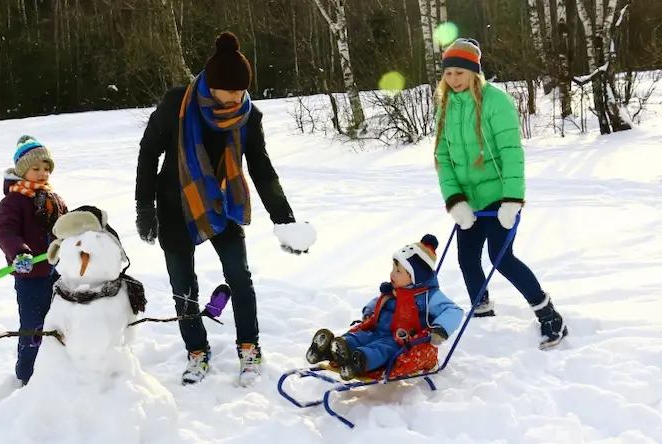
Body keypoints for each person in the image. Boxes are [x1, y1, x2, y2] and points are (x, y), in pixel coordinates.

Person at [134, 31, 316, 386]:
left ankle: (249, 347)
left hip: (221, 204)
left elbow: (261, 168)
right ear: (211, 85)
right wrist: (145, 206)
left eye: (242, 91)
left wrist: (284, 220)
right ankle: (196, 351)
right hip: (174, 204)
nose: (236, 98)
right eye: (229, 91)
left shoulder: (248, 116)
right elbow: (148, 152)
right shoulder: (177, 104)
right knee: (182, 286)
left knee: (239, 277)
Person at [433, 38, 568, 349]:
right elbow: (442, 157)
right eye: (449, 73)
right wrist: (455, 201)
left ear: (474, 73)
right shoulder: (445, 106)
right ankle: (482, 312)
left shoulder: (497, 102)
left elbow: (511, 154)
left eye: (460, 73)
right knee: (466, 258)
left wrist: (512, 200)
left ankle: (548, 315)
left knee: (500, 256)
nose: (453, 80)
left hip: (499, 196)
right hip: (468, 200)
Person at [305, 234, 463, 381]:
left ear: (415, 277)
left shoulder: (429, 296)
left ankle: (359, 361)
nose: (392, 274)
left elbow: (454, 311)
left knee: (381, 349)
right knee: (361, 337)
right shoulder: (395, 289)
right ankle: (332, 349)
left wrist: (440, 329)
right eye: (393, 268)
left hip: (400, 339)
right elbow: (380, 300)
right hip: (377, 329)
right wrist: (369, 310)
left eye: (398, 271)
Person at [0, 135, 68, 385]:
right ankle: (27, 375)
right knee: (33, 326)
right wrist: (19, 253)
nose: (42, 173)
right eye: (36, 168)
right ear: (22, 170)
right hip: (31, 276)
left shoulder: (54, 200)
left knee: (61, 322)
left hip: (59, 273)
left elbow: (66, 228)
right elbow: (5, 232)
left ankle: (60, 368)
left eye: (46, 169)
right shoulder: (13, 201)